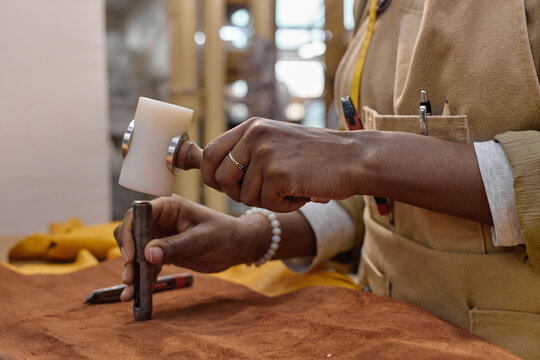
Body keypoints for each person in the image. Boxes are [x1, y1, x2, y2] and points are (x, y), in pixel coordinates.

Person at [115, 0, 540, 358]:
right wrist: (251, 235)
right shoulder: (374, 7)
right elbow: (377, 199)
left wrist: (357, 155)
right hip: (378, 323)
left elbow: (365, 169)